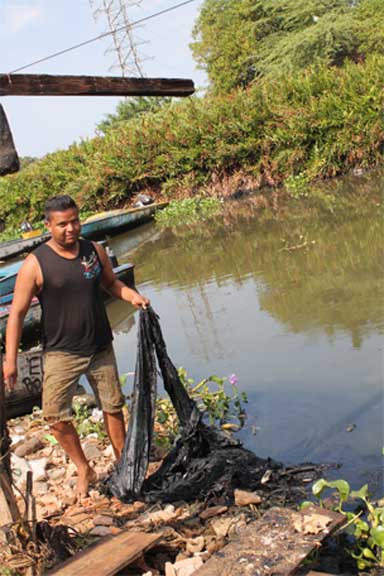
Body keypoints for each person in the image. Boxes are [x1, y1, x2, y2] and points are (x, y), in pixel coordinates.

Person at [3, 195, 149, 497]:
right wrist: (11, 360)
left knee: (113, 408)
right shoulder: (35, 263)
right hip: (61, 352)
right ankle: (84, 467)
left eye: (75, 221)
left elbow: (111, 283)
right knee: (55, 417)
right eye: (62, 224)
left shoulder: (93, 251)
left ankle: (124, 463)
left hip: (100, 346)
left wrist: (131, 295)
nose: (70, 229)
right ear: (48, 226)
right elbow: (16, 314)